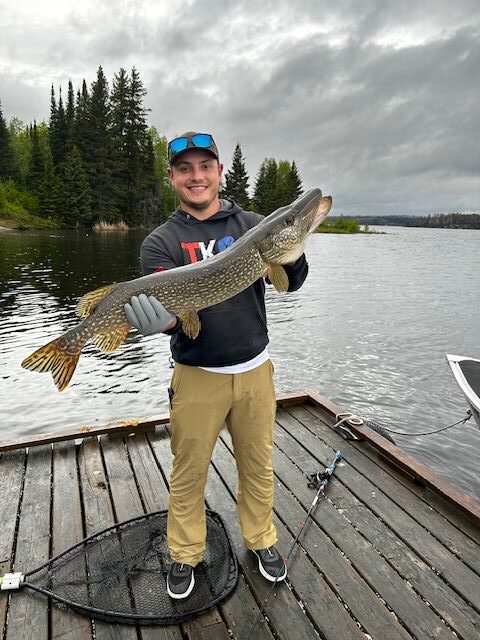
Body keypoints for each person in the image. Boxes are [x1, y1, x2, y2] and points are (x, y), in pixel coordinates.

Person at [124, 131, 309, 600]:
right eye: (184, 169)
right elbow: (172, 318)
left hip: (254, 372)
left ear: (219, 171)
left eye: (204, 166)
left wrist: (295, 248)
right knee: (189, 471)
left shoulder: (251, 223)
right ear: (172, 178)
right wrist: (159, 322)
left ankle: (262, 541)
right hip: (197, 378)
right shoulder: (160, 242)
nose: (196, 176)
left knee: (258, 465)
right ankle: (185, 554)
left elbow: (291, 282)